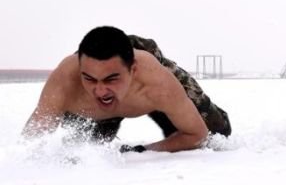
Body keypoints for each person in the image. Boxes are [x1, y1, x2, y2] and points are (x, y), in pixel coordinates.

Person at [23, 26, 231, 153]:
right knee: (86, 149)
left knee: (218, 131)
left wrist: (142, 151)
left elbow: (197, 134)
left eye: (111, 79)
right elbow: (29, 144)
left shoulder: (157, 82)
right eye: (90, 79)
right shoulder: (65, 82)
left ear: (133, 71)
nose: (100, 90)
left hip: (144, 59)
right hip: (97, 96)